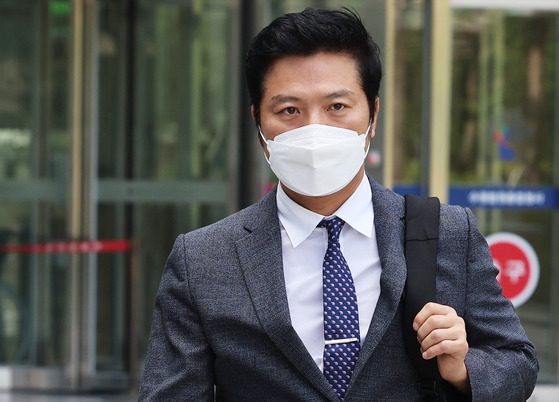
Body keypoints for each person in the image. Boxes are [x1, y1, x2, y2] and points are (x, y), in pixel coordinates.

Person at [138, 8, 538, 401]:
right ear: (259, 123)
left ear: (373, 115)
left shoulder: (448, 232)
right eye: (289, 110)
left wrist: (464, 369)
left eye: (337, 107)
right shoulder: (203, 259)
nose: (315, 129)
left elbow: (518, 364)